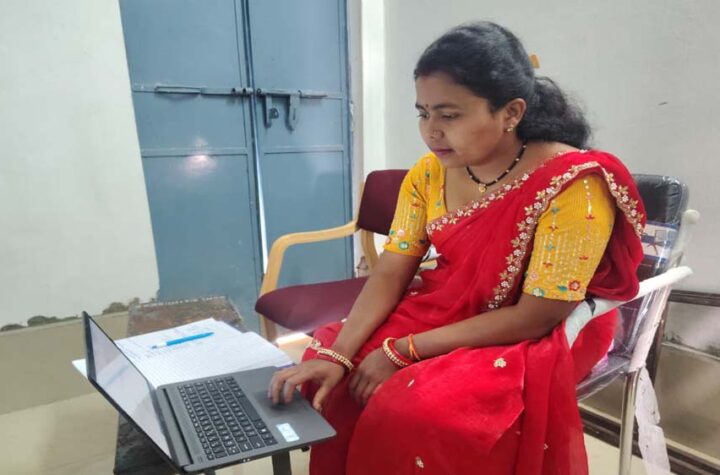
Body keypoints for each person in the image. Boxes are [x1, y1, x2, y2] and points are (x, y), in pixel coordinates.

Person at [269, 21, 645, 474]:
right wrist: (339, 353)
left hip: (540, 328)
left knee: (415, 409)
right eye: (422, 113)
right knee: (332, 365)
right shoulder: (429, 173)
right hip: (448, 304)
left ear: (511, 113)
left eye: (449, 116)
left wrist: (403, 350)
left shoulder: (573, 185)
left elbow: (539, 315)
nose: (431, 132)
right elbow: (391, 270)